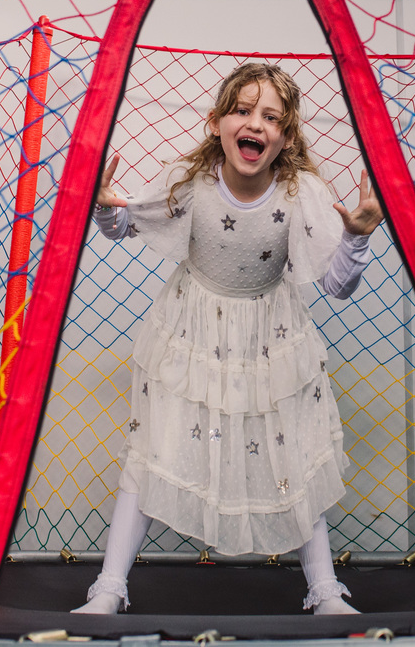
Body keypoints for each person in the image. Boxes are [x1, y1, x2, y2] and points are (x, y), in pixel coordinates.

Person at [72, 63, 383, 616]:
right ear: (217, 123)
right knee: (152, 452)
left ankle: (326, 591)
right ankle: (108, 590)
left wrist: (356, 240)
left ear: (286, 137)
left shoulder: (300, 191)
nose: (255, 124)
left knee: (297, 452)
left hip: (270, 336)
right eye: (242, 110)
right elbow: (124, 225)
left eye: (271, 117)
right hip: (192, 330)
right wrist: (100, 203)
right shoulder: (191, 182)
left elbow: (337, 285)